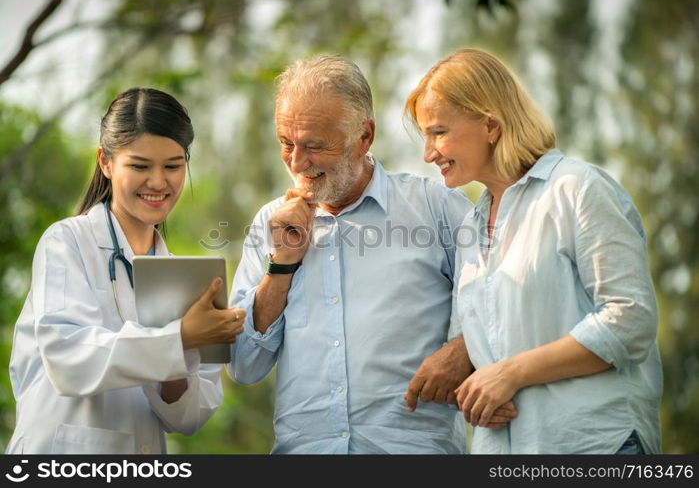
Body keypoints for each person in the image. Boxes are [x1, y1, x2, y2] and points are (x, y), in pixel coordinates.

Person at [227, 55, 516, 454]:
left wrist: (463, 350)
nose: (297, 162)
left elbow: (510, 298)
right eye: (285, 143)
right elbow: (243, 365)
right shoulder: (268, 224)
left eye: (314, 145)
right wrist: (281, 266)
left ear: (364, 137)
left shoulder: (435, 207)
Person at [405, 48, 662, 454]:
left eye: (438, 132)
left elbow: (630, 321)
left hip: (595, 447)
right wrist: (477, 397)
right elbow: (481, 353)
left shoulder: (577, 188)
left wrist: (510, 374)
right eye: (425, 136)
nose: (428, 153)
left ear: (490, 125)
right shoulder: (471, 227)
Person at [6, 88, 245, 454]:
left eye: (172, 166)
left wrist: (185, 351)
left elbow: (190, 418)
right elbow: (69, 359)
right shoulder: (67, 242)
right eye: (139, 166)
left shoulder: (187, 279)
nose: (158, 182)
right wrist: (178, 338)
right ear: (105, 162)